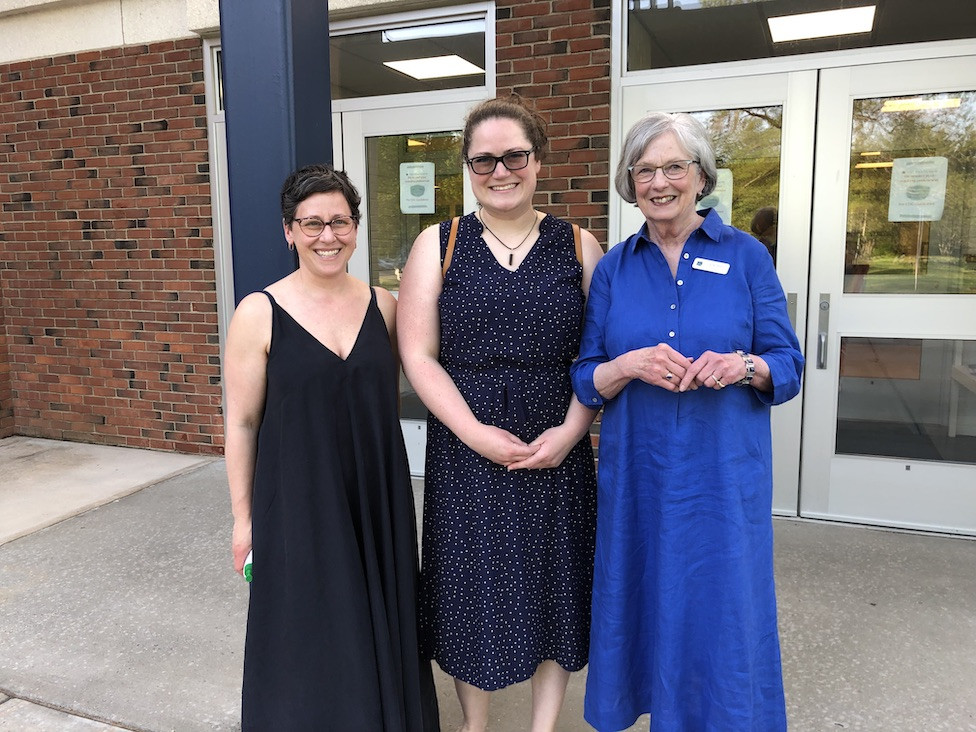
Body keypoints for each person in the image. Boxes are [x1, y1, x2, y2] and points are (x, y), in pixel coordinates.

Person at [570, 112, 804, 731]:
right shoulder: (617, 268)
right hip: (640, 479)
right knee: (645, 603)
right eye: (644, 170)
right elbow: (585, 374)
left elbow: (789, 365)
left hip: (723, 480)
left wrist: (743, 364)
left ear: (701, 177)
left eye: (674, 166)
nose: (659, 182)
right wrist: (627, 365)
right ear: (630, 183)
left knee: (722, 611)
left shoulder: (747, 256)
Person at [397, 94, 603, 732]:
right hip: (466, 440)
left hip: (556, 442)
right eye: (483, 159)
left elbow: (599, 354)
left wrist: (573, 432)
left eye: (514, 155)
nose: (500, 170)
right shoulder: (440, 243)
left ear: (538, 161)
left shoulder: (579, 245)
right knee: (471, 589)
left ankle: (543, 726)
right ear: (467, 168)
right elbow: (418, 354)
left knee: (554, 585)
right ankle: (475, 723)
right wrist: (475, 433)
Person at [224, 164, 440, 731]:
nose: (328, 236)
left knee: (379, 615)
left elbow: (388, 398)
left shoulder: (387, 307)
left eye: (340, 222)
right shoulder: (257, 313)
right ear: (288, 231)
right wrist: (244, 520)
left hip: (376, 492)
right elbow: (242, 424)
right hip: (296, 496)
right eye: (312, 223)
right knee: (307, 625)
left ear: (356, 226)